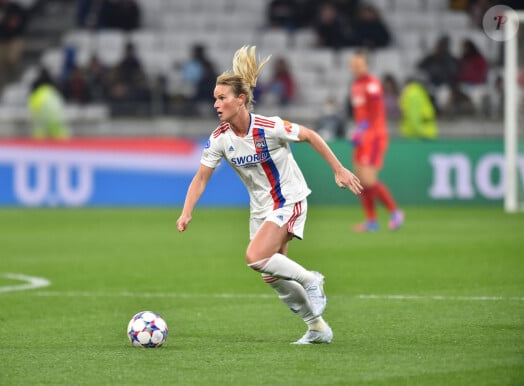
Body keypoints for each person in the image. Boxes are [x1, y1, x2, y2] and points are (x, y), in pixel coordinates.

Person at [176, 46, 363, 345]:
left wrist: (338, 169)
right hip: (261, 209)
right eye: (214, 98)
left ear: (240, 100)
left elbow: (310, 135)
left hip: (289, 199)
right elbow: (200, 178)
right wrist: (187, 212)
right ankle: (317, 328)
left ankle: (312, 279)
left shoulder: (268, 127)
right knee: (271, 275)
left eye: (221, 98)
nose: (216, 104)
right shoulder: (220, 138)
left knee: (255, 256)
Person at [348, 50, 404, 232]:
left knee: (369, 180)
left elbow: (374, 112)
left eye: (359, 65)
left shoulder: (372, 85)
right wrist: (358, 131)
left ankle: (395, 212)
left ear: (366, 66)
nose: (356, 69)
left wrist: (362, 128)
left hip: (374, 136)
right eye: (354, 66)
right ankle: (371, 221)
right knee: (359, 179)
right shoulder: (355, 86)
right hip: (362, 137)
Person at [399, 74, 438, 140]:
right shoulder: (415, 93)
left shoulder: (414, 92)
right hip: (420, 135)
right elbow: (414, 115)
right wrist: (421, 132)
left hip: (418, 133)